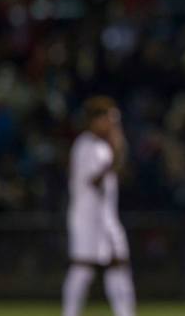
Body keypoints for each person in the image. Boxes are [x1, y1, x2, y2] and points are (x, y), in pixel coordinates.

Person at [62, 96, 136, 316]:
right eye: (109, 120)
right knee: (83, 268)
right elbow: (95, 181)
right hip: (86, 217)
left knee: (119, 263)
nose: (112, 125)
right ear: (95, 120)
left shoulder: (102, 146)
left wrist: (116, 152)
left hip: (106, 216)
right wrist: (117, 153)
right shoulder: (85, 145)